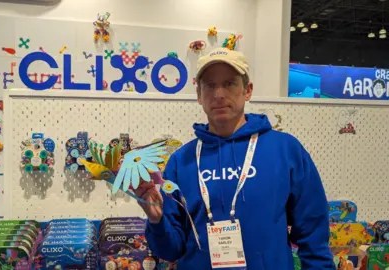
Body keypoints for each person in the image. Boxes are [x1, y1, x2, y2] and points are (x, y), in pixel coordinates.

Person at [134, 47, 335, 269]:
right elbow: (170, 250)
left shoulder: (285, 150)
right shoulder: (182, 162)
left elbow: (314, 235)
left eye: (229, 83)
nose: (219, 94)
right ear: (199, 95)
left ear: (247, 90)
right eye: (210, 85)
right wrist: (156, 220)